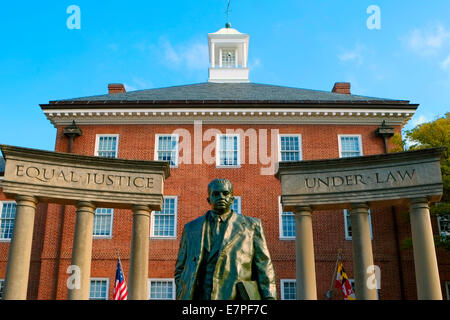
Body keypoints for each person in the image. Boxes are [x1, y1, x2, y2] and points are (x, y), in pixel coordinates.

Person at [174, 178, 277, 300]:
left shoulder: (252, 226)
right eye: (216, 194)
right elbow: (180, 267)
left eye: (225, 193)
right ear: (209, 199)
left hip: (237, 297)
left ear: (232, 199)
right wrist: (182, 290)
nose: (221, 197)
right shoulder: (191, 228)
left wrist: (269, 298)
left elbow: (264, 266)